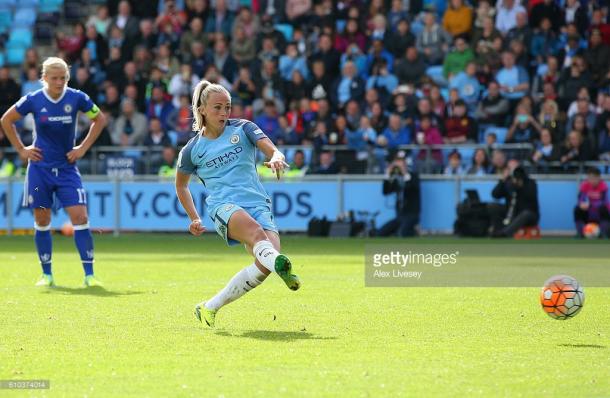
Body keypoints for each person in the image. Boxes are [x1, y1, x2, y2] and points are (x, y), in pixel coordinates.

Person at [175, 80, 300, 328]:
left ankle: (209, 307)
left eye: (228, 107)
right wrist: (194, 217)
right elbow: (181, 185)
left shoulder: (244, 128)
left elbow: (272, 150)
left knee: (265, 264)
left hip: (257, 203)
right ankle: (279, 265)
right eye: (217, 107)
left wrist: (276, 157)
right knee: (258, 238)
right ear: (202, 110)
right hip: (224, 206)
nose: (224, 113)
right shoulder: (191, 150)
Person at [0, 57, 107, 287]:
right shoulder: (34, 100)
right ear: (44, 78)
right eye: (55, 78)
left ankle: (89, 275)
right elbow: (6, 120)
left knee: (80, 217)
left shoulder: (78, 97)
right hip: (40, 169)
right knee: (42, 218)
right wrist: (21, 149)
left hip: (67, 168)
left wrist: (82, 148)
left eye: (63, 78)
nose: (59, 82)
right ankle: (46, 274)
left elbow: (99, 119)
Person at [372, 153, 420, 237]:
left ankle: (413, 233)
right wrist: (387, 175)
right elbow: (386, 191)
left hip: (412, 215)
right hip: (399, 216)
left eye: (400, 162)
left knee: (402, 233)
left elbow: (410, 188)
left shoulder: (413, 176)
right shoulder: (397, 178)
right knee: (380, 234)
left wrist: (404, 172)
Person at [489, 166, 539, 237]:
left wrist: (521, 186)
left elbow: (530, 197)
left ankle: (504, 234)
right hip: (511, 212)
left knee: (525, 214)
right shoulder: (508, 183)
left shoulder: (530, 183)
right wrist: (502, 181)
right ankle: (496, 231)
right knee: (493, 207)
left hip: (529, 214)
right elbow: (495, 195)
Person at [574, 167, 609, 238]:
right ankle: (580, 233)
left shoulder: (604, 186)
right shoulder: (584, 185)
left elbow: (605, 202)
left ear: (599, 178)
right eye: (589, 178)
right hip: (588, 214)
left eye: (594, 178)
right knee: (577, 209)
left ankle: (603, 233)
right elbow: (581, 199)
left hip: (599, 214)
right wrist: (581, 204)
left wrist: (591, 205)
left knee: (605, 209)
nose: (592, 181)